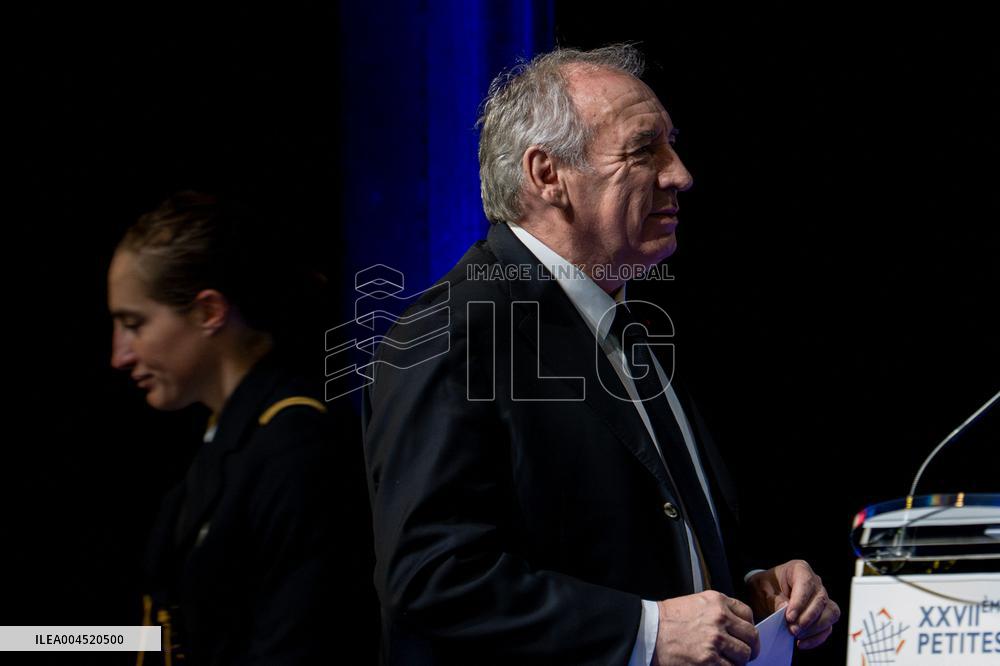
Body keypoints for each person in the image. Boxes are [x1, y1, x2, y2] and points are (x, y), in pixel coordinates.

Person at [362, 45, 840, 665]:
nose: (680, 174)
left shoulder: (628, 323)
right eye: (645, 150)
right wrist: (644, 632)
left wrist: (751, 587)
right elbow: (430, 579)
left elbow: (640, 543)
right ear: (546, 175)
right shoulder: (449, 332)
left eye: (671, 144)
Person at [108, 192, 376, 664]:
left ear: (209, 312)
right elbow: (171, 635)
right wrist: (31, 639)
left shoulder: (298, 447)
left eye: (134, 324)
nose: (120, 355)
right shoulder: (229, 433)